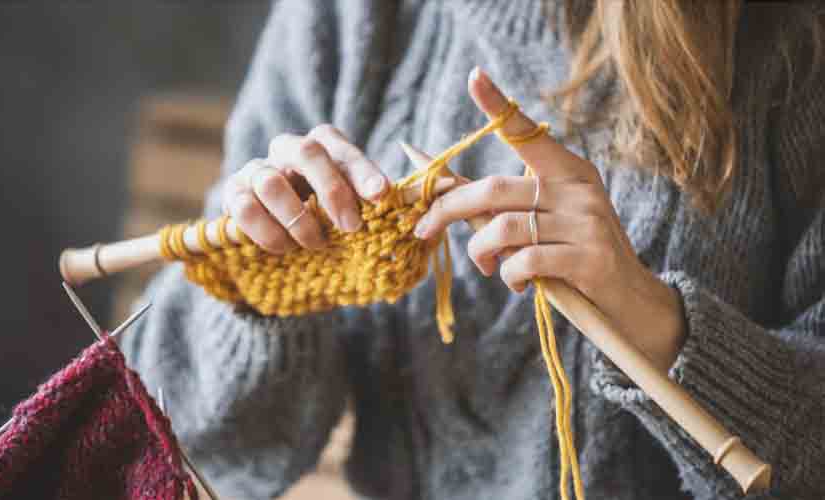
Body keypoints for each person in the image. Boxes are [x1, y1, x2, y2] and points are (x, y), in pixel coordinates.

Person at [121, 1, 825, 498]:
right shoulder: (350, 16)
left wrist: (654, 324)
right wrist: (259, 290)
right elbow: (191, 450)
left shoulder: (795, 47)